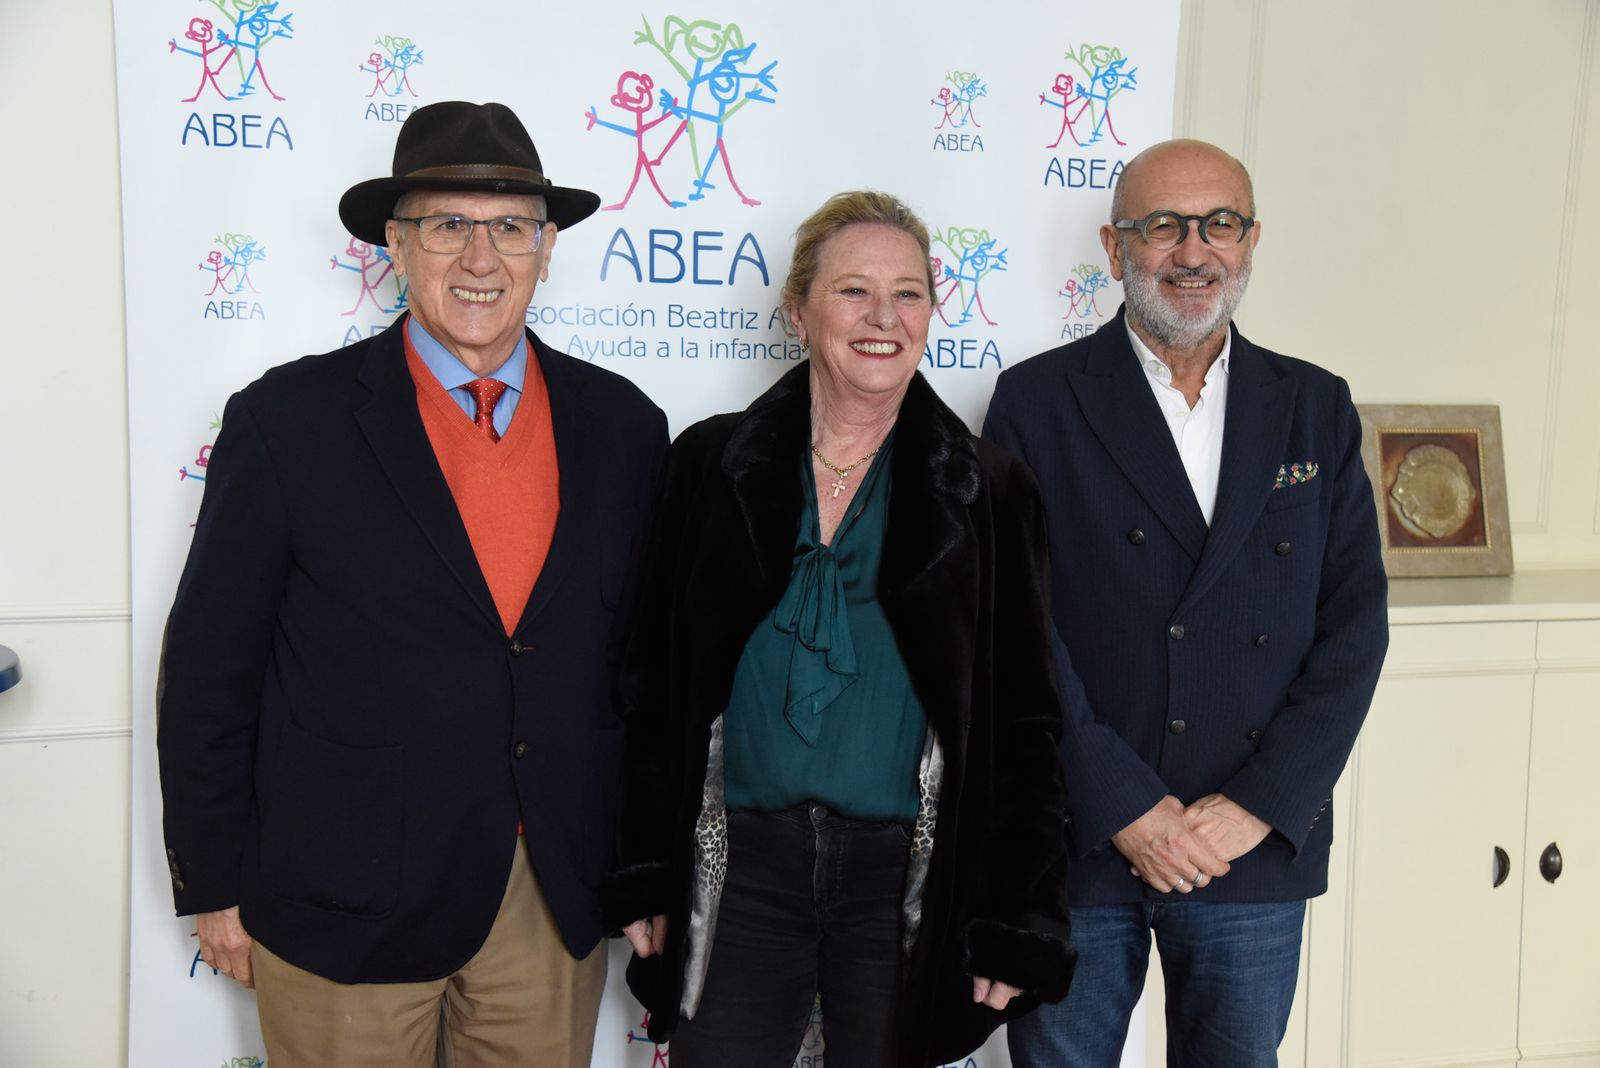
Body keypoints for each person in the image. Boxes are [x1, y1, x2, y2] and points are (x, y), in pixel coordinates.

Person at [156, 100, 668, 1067]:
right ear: (395, 243)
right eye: (448, 225)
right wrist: (212, 879)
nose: (482, 258)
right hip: (342, 886)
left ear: (548, 248)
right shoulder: (285, 423)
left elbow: (642, 677)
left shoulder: (624, 427)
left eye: (511, 227)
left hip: (547, 887)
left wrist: (644, 869)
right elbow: (211, 669)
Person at [602, 190, 1076, 1068]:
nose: (883, 318)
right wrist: (643, 866)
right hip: (737, 867)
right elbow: (652, 683)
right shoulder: (710, 463)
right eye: (854, 291)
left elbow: (1025, 721)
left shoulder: (988, 488)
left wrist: (1019, 914)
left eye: (908, 293)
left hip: (906, 876)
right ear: (798, 312)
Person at [984, 139, 1389, 1067]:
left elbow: (1353, 626)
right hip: (1084, 834)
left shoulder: (1315, 406)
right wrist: (1127, 806)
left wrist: (1256, 805)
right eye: (1162, 225)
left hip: (1249, 843)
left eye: (1220, 225)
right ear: (1113, 244)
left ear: (1251, 240)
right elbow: (1018, 625)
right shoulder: (1036, 401)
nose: (1193, 250)